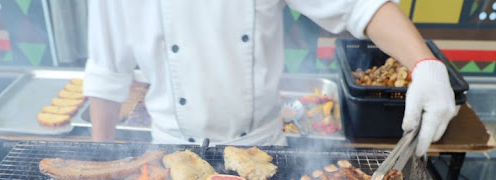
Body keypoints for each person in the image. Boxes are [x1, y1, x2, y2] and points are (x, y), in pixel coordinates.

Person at [83, 0, 456, 156]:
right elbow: (106, 74)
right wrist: (99, 166)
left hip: (264, 149)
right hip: (169, 150)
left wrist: (425, 64)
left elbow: (360, 7)